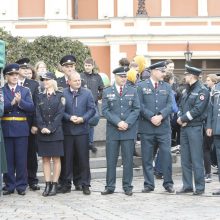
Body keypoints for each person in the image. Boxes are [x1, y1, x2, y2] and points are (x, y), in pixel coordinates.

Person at [101, 66, 140, 196]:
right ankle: (110, 186)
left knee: (128, 160)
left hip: (128, 130)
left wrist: (127, 123)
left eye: (125, 76)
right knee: (111, 160)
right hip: (113, 130)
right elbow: (105, 110)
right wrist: (118, 122)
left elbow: (136, 109)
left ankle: (127, 186)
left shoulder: (133, 90)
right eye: (121, 76)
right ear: (115, 77)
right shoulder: (107, 92)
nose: (124, 79)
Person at [137, 61, 175, 194]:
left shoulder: (167, 87)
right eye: (161, 71)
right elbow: (139, 105)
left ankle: (168, 183)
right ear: (153, 71)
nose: (164, 74)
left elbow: (170, 105)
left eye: (164, 71)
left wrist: (160, 116)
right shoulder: (141, 86)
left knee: (166, 156)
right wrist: (151, 117)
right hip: (147, 127)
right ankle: (148, 184)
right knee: (147, 157)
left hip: (163, 128)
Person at [2, 63, 34, 196]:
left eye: (16, 74)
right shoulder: (1, 91)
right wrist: (12, 104)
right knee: (8, 159)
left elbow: (31, 108)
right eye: (11, 75)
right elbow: (1, 109)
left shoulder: (25, 91)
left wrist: (20, 102)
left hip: (21, 128)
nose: (15, 77)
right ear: (6, 76)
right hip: (7, 128)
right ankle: (9, 185)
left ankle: (21, 185)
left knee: (21, 159)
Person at [177, 65, 209, 195]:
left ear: (192, 76)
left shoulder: (202, 91)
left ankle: (200, 187)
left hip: (195, 127)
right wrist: (180, 117)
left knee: (196, 158)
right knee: (185, 158)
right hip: (184, 128)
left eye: (186, 75)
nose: (185, 77)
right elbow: (181, 105)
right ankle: (187, 185)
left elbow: (198, 109)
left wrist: (183, 119)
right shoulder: (186, 90)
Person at [61, 71, 95, 195]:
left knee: (83, 159)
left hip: (82, 131)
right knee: (67, 159)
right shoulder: (63, 93)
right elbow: (60, 111)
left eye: (79, 80)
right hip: (68, 131)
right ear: (68, 82)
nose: (78, 82)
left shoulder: (87, 93)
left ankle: (85, 184)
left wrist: (83, 118)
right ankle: (66, 184)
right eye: (75, 80)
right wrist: (69, 117)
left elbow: (92, 109)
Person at [56, 54, 83, 192]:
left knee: (79, 155)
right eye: (66, 66)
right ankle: (64, 182)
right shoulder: (58, 82)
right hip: (64, 125)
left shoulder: (79, 79)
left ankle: (78, 181)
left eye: (71, 66)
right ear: (62, 68)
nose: (69, 68)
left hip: (80, 125)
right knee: (65, 156)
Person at [36, 72, 65, 196]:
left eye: (47, 79)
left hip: (55, 132)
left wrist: (50, 128)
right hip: (43, 133)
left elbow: (60, 114)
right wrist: (42, 127)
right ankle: (47, 185)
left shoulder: (60, 96)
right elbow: (37, 114)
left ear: (53, 80)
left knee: (56, 159)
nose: (45, 82)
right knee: (45, 159)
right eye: (43, 80)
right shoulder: (39, 97)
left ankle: (54, 185)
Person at [15, 58, 41, 191]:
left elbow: (37, 106)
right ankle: (19, 180)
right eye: (23, 68)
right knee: (17, 154)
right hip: (15, 124)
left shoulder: (33, 84)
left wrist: (35, 124)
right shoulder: (11, 83)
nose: (26, 70)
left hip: (29, 124)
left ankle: (32, 180)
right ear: (17, 70)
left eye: (27, 69)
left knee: (31, 154)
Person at [80, 58, 104, 153]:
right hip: (82, 103)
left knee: (93, 121)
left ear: (92, 66)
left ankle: (90, 142)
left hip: (93, 103)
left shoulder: (97, 77)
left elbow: (102, 89)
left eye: (89, 65)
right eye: (86, 65)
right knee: (83, 122)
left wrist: (98, 97)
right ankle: (84, 143)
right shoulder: (80, 76)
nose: (87, 67)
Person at [203, 74, 218, 183]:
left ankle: (208, 173)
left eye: (209, 80)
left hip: (214, 126)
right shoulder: (213, 91)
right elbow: (210, 109)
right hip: (212, 126)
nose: (207, 82)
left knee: (207, 149)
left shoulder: (215, 91)